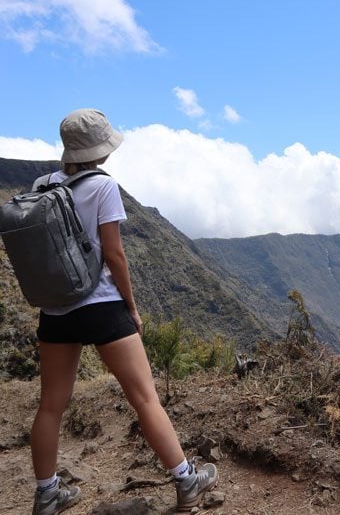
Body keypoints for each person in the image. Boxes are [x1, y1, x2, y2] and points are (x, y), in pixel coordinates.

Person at [30, 109, 218, 514]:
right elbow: (114, 254)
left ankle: (46, 493)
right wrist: (132, 308)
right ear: (102, 148)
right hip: (101, 305)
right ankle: (187, 481)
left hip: (56, 309)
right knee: (145, 398)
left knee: (50, 405)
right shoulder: (103, 186)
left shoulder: (42, 185)